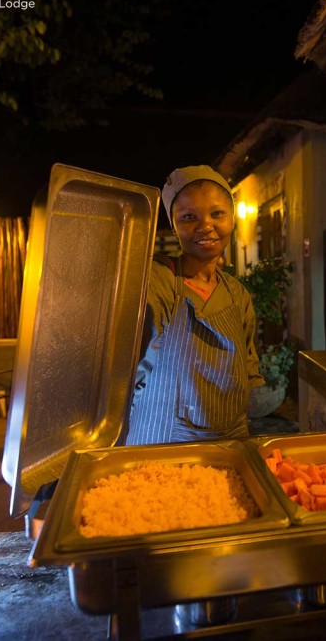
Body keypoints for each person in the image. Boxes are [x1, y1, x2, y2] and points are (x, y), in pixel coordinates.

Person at [124, 165, 265, 445]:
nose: (205, 226)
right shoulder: (157, 281)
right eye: (189, 217)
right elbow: (130, 370)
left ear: (232, 219)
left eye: (217, 214)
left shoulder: (237, 294)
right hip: (163, 444)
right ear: (173, 224)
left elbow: (249, 364)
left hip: (232, 441)